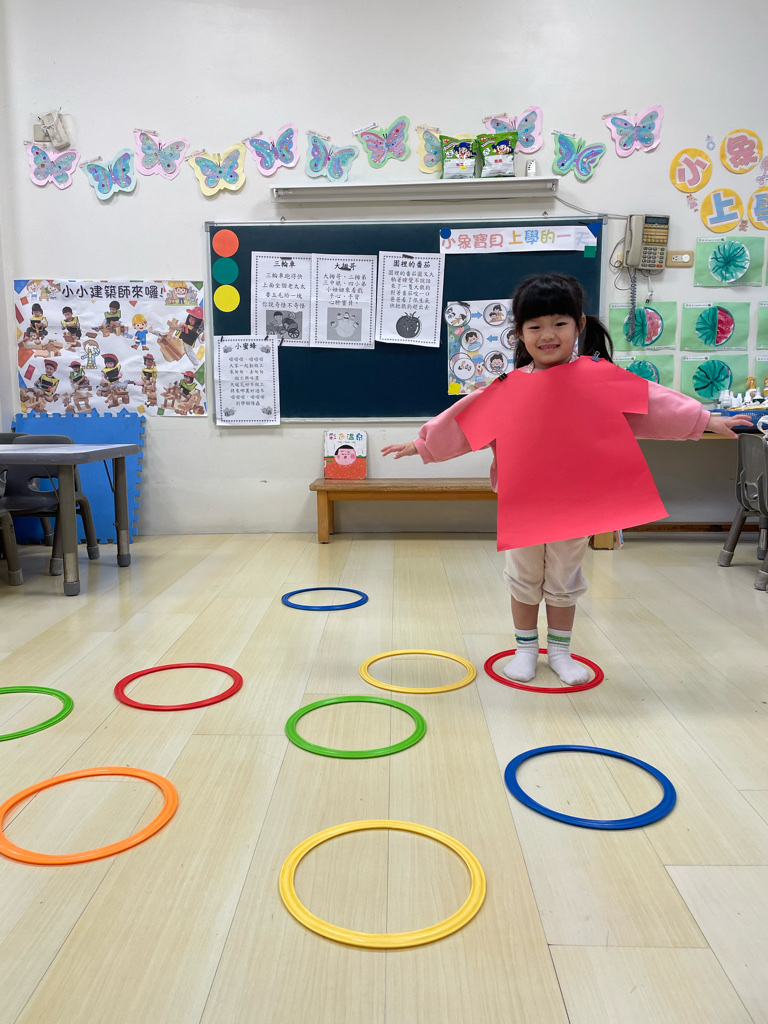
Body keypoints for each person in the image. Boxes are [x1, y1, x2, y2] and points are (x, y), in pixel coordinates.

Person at [382, 274, 752, 685]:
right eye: (535, 326)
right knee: (523, 577)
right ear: (519, 333)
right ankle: (526, 649)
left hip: (577, 503)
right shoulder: (508, 388)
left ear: (579, 325)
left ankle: (559, 651)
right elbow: (465, 421)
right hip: (523, 502)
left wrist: (706, 420)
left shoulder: (599, 377)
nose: (547, 335)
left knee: (564, 578)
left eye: (559, 323)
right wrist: (421, 445)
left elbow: (652, 404)